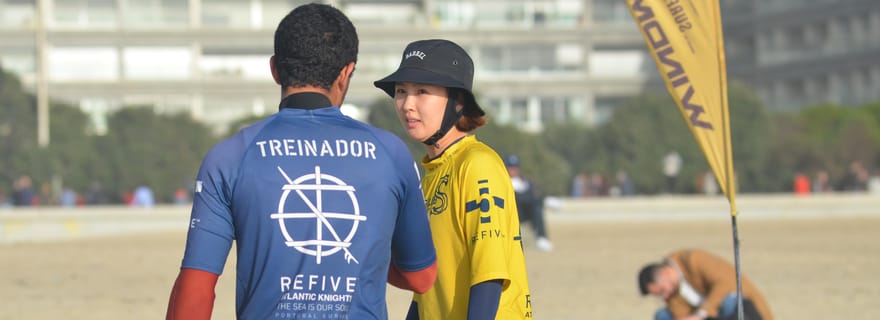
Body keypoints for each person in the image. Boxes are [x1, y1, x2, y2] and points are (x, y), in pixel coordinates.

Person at [165, 4, 437, 320]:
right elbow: (421, 277)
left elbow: (195, 288)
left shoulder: (229, 156)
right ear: (346, 73)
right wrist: (365, 252)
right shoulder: (392, 154)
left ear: (275, 69)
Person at [374, 39, 533, 319]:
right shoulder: (432, 175)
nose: (407, 104)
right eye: (401, 91)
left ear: (458, 102)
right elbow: (428, 294)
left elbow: (490, 275)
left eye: (422, 91)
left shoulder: (478, 165)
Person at [637, 249, 773, 320]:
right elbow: (680, 314)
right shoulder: (671, 293)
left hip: (743, 310)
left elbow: (725, 285)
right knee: (662, 315)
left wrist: (701, 314)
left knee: (729, 301)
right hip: (710, 316)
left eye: (662, 290)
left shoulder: (694, 259)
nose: (664, 297)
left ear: (665, 273)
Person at [505, 154, 554, 252]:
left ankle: (541, 237)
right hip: (512, 212)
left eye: (515, 167)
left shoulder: (526, 181)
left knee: (537, 209)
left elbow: (534, 192)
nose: (513, 170)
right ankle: (545, 201)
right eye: (510, 167)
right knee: (531, 200)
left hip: (527, 212)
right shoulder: (504, 182)